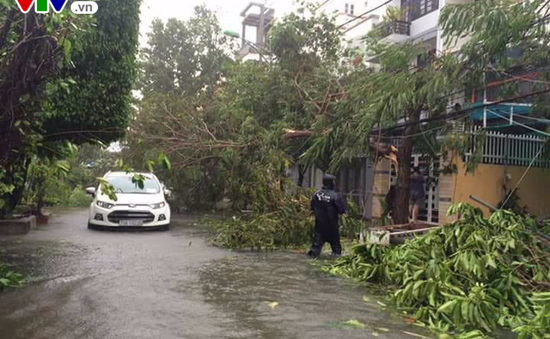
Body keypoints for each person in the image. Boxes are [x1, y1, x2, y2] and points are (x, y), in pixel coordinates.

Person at [307, 174, 346, 259]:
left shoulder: (316, 195)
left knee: (313, 252)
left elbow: (312, 208)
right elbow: (341, 210)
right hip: (332, 228)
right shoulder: (335, 196)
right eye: (334, 182)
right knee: (336, 252)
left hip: (319, 228)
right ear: (331, 183)